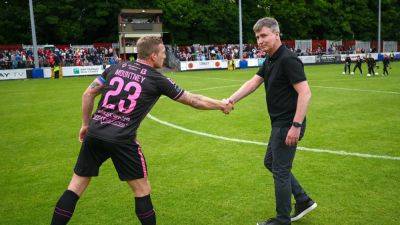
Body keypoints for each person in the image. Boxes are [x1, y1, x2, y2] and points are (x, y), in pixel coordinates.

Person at [50, 36, 233, 225]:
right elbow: (194, 100)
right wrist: (221, 105)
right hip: (122, 139)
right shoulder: (157, 79)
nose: (164, 57)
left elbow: (88, 94)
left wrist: (85, 125)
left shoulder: (115, 67)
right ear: (153, 55)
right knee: (142, 191)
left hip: (95, 133)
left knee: (75, 187)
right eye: (162, 53)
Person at [224, 17, 316, 225]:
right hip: (279, 124)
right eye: (257, 37)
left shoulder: (288, 59)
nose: (260, 40)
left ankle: (282, 220)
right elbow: (253, 83)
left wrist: (296, 126)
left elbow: (305, 93)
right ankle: (303, 200)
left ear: (277, 34)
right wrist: (230, 100)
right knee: (271, 163)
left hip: (288, 124)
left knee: (280, 171)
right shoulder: (271, 60)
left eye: (264, 35)